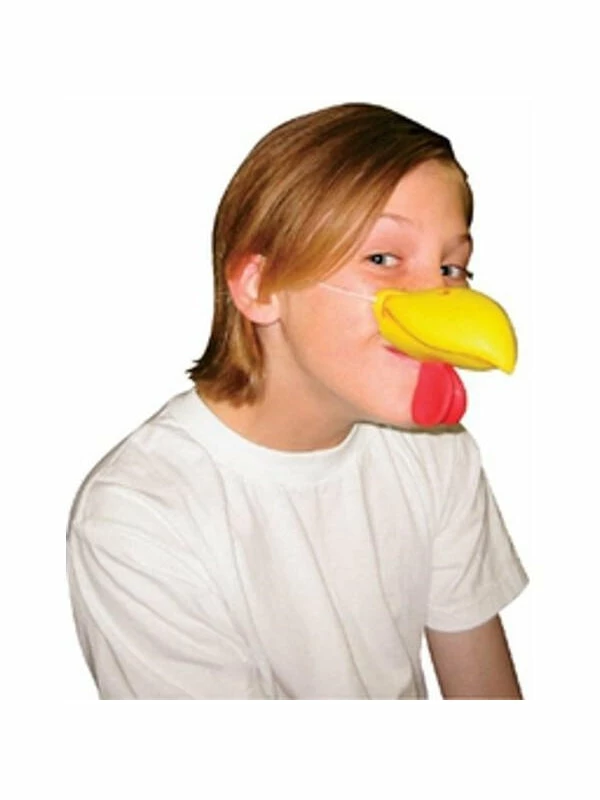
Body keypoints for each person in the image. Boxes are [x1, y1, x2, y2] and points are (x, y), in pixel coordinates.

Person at [66, 102, 529, 699]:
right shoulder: (140, 514)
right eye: (383, 259)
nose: (439, 297)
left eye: (451, 267)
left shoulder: (437, 451)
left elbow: (487, 700)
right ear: (260, 287)